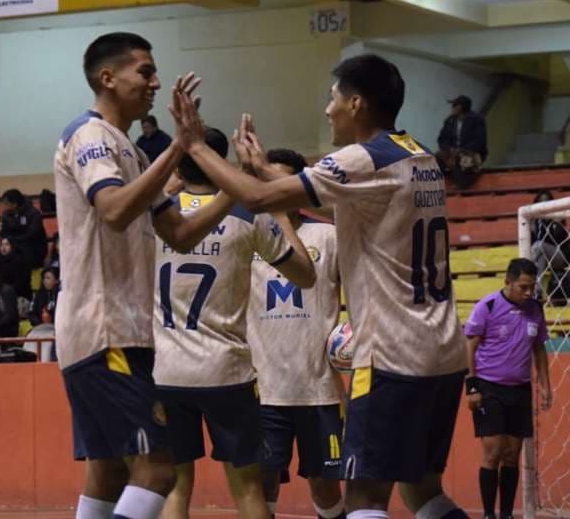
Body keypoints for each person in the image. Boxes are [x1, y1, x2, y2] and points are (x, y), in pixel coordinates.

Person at [169, 53, 469, 519]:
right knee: (423, 492)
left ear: (356, 104)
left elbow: (257, 199)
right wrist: (266, 169)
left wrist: (196, 147)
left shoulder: (361, 158)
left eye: (332, 100)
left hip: (393, 353)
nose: (327, 110)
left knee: (365, 499)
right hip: (443, 350)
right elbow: (345, 204)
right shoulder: (418, 155)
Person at [54, 32, 235, 519]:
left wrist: (236, 190)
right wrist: (178, 147)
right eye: (146, 72)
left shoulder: (128, 151)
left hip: (114, 331)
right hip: (104, 329)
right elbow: (113, 210)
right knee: (158, 469)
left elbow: (178, 232)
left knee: (110, 471)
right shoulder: (90, 135)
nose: (155, 83)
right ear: (108, 78)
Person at [153, 128, 315, 519]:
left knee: (175, 487)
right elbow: (306, 275)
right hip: (226, 371)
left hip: (164, 370)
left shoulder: (156, 215)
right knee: (247, 489)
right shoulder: (245, 215)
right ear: (220, 163)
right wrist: (274, 206)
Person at [246, 148, 346, 519]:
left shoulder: (328, 235)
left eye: (282, 182)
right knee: (263, 482)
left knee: (324, 485)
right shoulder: (250, 234)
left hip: (319, 388)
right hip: (264, 387)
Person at [464, 258, 552, 519]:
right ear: (508, 282)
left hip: (521, 389)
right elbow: (470, 346)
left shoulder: (536, 308)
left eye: (531, 287)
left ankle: (506, 514)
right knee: (493, 451)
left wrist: (545, 385)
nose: (528, 293)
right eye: (522, 287)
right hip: (489, 387)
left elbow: (538, 348)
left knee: (513, 454)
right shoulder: (488, 306)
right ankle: (489, 514)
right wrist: (472, 387)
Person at [436, 95, 487, 190]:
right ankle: (444, 182)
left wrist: (461, 151)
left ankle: (463, 183)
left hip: (471, 152)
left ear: (459, 107)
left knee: (464, 162)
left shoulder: (477, 119)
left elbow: (479, 141)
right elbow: (441, 140)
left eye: (454, 105)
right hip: (452, 153)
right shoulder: (450, 121)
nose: (451, 108)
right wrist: (450, 150)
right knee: (436, 158)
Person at [529, 191, 570, 302]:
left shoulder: (558, 218)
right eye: (541, 201)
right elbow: (529, 247)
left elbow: (561, 242)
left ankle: (534, 290)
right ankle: (537, 294)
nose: (544, 204)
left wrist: (555, 225)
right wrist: (532, 231)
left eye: (547, 201)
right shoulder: (532, 222)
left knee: (539, 247)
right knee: (539, 252)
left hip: (560, 256)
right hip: (540, 256)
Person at [0, 188, 47, 269]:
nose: (4, 207)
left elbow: (32, 234)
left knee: (25, 250)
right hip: (15, 244)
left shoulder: (34, 213)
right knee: (0, 248)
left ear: (14, 204)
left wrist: (14, 240)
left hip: (33, 247)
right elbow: (3, 232)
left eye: (6, 204)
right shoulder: (6, 215)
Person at [25, 267, 60, 362]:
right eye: (44, 278)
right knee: (31, 337)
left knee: (48, 343)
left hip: (56, 329)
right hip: (40, 327)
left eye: (48, 278)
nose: (45, 281)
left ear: (56, 280)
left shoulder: (61, 295)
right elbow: (31, 313)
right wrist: (39, 322)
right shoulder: (39, 294)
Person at [0, 236, 33, 309]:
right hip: (3, 296)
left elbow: (21, 283)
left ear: (12, 246)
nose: (3, 247)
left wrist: (7, 293)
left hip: (20, 296)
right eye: (1, 245)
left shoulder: (20, 261)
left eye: (6, 244)